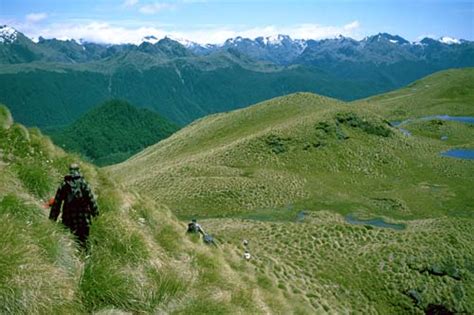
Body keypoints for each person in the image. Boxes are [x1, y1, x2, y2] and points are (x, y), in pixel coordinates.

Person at [49, 163, 99, 249]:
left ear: (70, 171)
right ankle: (85, 257)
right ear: (78, 170)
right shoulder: (84, 183)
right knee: (84, 241)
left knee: (69, 241)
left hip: (69, 218)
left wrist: (52, 219)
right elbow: (92, 201)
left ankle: (72, 257)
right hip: (84, 219)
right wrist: (96, 215)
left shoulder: (64, 184)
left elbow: (57, 203)